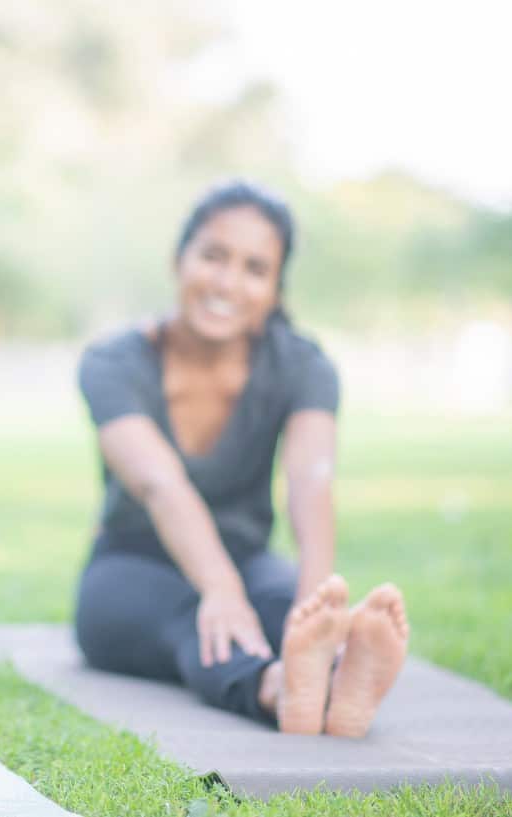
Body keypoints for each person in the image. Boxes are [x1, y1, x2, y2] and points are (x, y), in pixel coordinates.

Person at [74, 180, 410, 735]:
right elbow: (161, 483)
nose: (228, 282)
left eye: (255, 268)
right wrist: (221, 590)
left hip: (250, 560)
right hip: (129, 569)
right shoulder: (113, 361)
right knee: (200, 620)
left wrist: (316, 607)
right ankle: (277, 689)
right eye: (213, 256)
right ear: (178, 260)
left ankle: (330, 669)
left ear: (276, 291)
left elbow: (311, 477)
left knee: (281, 609)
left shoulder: (302, 366)